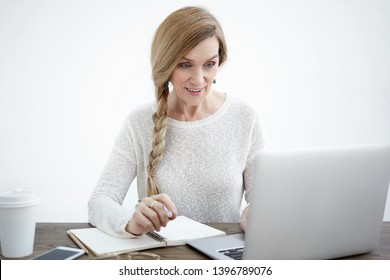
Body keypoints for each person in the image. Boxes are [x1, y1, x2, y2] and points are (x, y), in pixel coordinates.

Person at [88, 6, 264, 238]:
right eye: (185, 65)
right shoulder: (139, 122)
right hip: (161, 258)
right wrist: (130, 222)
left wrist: (255, 214)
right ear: (166, 64)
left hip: (223, 257)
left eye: (209, 64)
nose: (199, 79)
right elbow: (100, 202)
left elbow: (261, 202)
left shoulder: (244, 117)